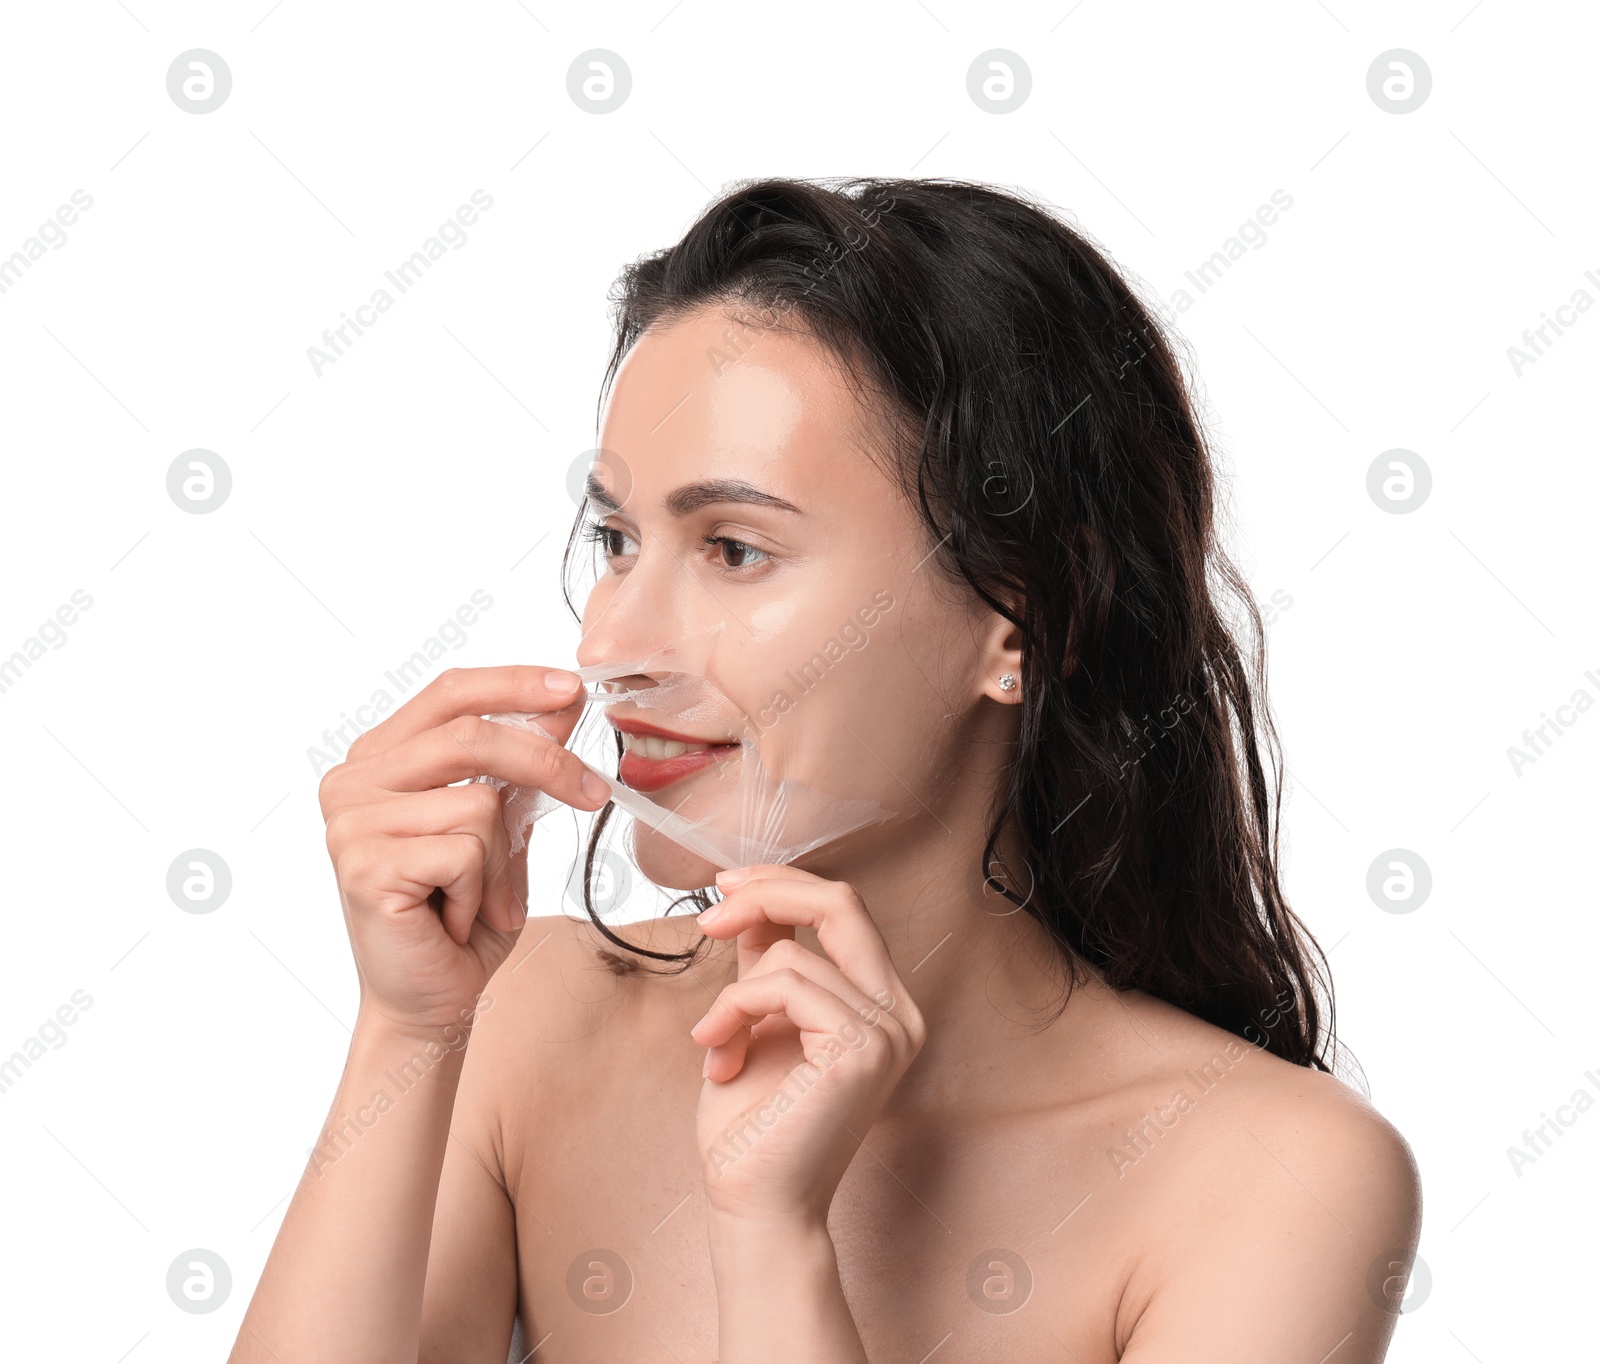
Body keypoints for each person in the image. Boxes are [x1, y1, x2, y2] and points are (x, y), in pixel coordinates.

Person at [230, 177, 1421, 1363]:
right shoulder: (531, 1018)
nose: (609, 647)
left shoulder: (1280, 1180)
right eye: (617, 540)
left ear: (1022, 616)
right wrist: (407, 1027)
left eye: (734, 549)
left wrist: (772, 1237)